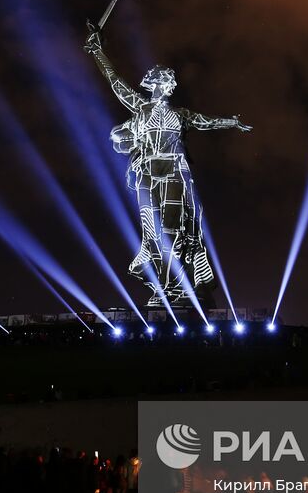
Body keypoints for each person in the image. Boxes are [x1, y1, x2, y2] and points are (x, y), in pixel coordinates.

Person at [85, 24, 251, 305]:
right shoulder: (140, 107)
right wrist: (97, 50)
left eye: (170, 82)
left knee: (174, 230)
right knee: (152, 231)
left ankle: (175, 287)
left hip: (174, 171)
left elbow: (206, 122)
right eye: (166, 81)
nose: (170, 86)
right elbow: (115, 82)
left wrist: (231, 122)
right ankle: (161, 286)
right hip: (148, 171)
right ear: (156, 83)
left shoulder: (181, 114)